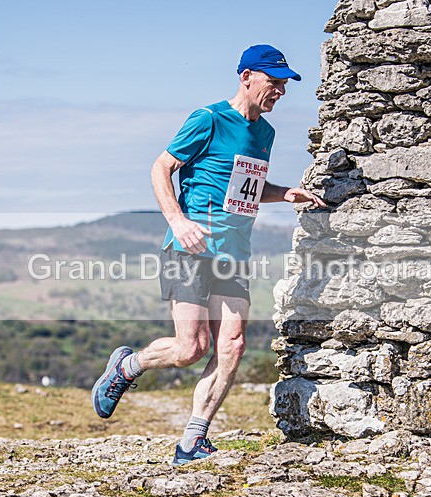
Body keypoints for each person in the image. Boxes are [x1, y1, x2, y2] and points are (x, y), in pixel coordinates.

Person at [91, 44, 325, 466]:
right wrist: (179, 222)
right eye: (274, 82)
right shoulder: (208, 119)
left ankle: (192, 441)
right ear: (247, 77)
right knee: (190, 348)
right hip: (189, 249)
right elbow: (161, 168)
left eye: (285, 85)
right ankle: (129, 366)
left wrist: (284, 193)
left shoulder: (265, 134)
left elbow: (245, 188)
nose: (280, 92)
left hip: (234, 252)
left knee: (231, 345)